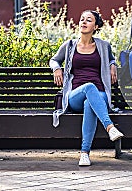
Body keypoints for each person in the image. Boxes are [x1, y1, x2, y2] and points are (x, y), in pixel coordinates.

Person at [50, 10, 124, 166]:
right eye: (82, 19)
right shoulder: (69, 45)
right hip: (74, 95)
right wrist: (57, 69)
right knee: (89, 88)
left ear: (95, 26)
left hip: (100, 94)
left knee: (89, 103)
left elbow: (111, 59)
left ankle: (84, 153)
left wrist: (112, 65)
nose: (83, 22)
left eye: (88, 20)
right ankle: (110, 127)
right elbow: (54, 60)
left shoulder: (103, 46)